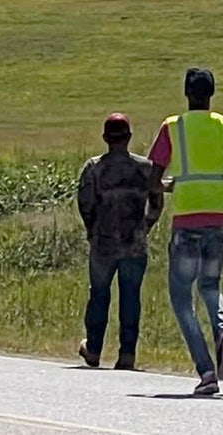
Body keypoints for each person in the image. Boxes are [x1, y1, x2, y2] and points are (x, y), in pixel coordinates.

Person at [148, 67, 223, 396]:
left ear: (186, 93)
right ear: (212, 94)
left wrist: (172, 187)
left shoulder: (173, 127)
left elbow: (153, 178)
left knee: (182, 297)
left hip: (187, 218)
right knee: (210, 285)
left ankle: (207, 370)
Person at [76, 113, 162, 370]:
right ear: (129, 137)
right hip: (134, 244)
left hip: (103, 243)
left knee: (99, 295)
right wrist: (144, 227)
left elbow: (85, 204)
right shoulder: (145, 168)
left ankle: (93, 348)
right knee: (131, 297)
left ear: (105, 138)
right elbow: (157, 204)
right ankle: (127, 353)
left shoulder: (94, 168)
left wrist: (92, 229)